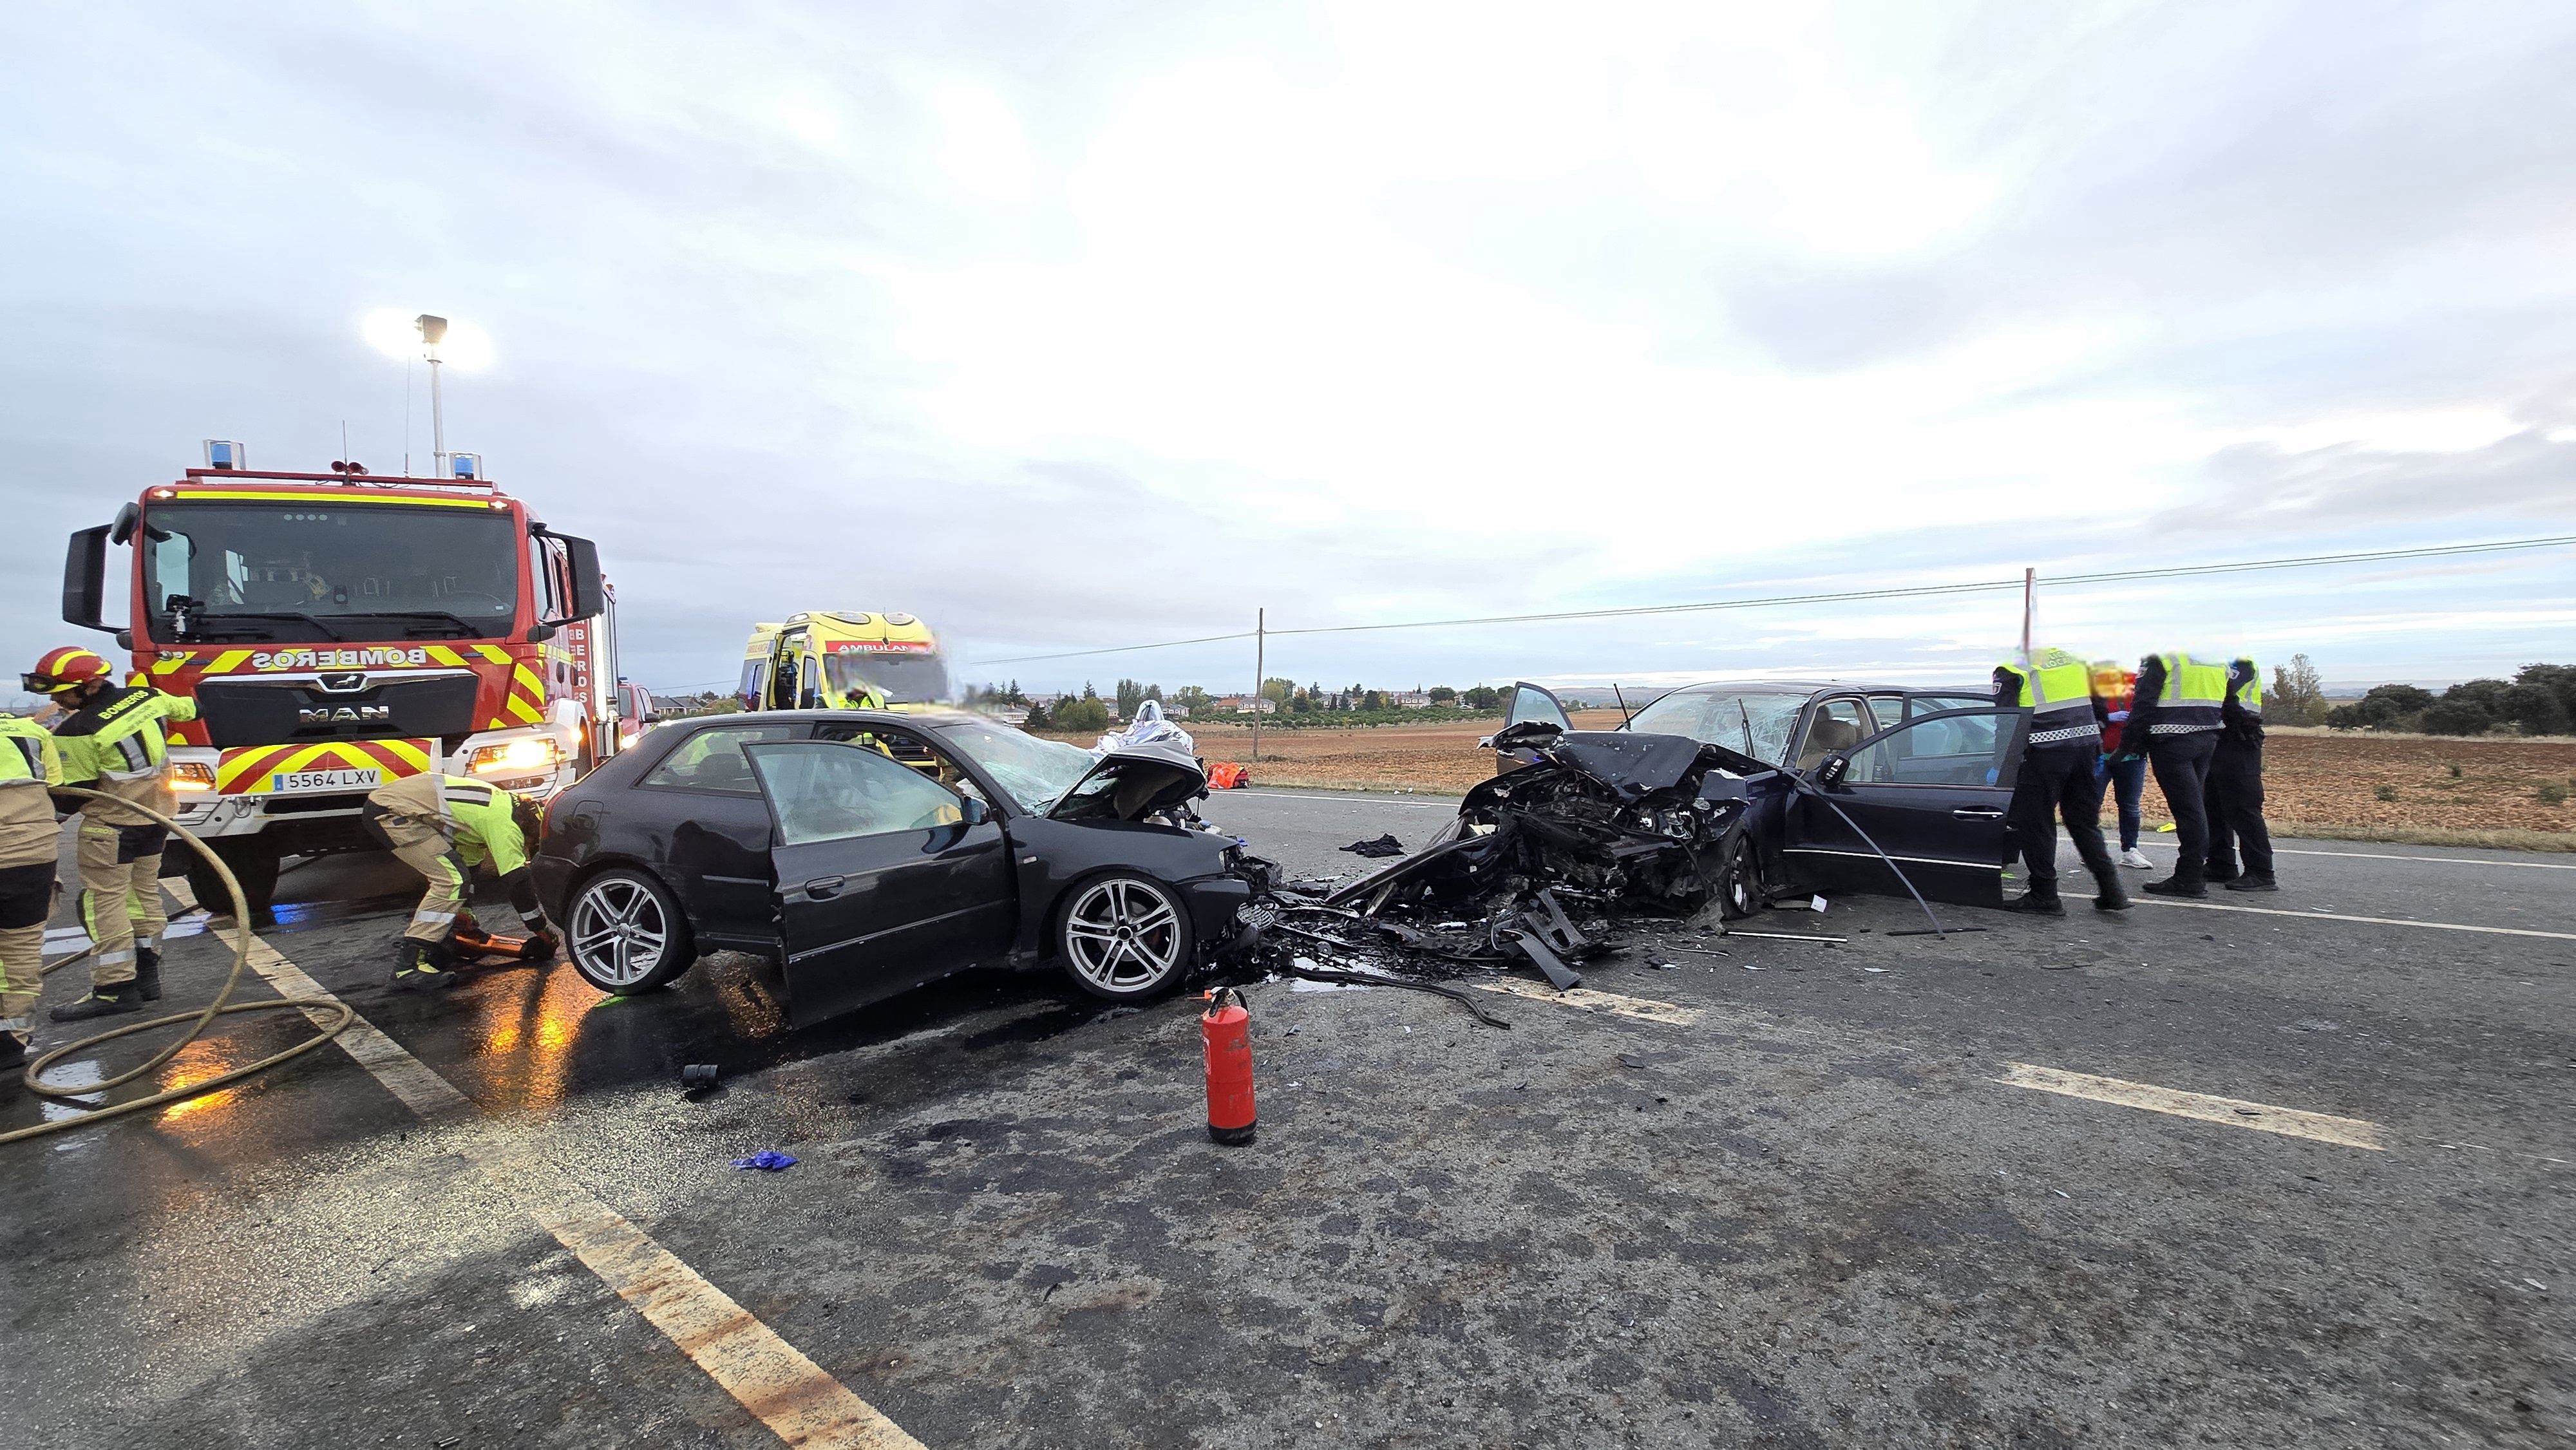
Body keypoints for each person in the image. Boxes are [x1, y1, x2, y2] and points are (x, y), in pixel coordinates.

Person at [31, 647, 199, 1021]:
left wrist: (38, 822)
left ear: (90, 686)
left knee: (104, 904)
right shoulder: (148, 698)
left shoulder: (77, 729)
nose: (56, 700)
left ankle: (114, 988)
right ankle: (146, 977)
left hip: (111, 827)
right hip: (156, 820)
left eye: (62, 691)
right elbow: (193, 710)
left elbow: (76, 792)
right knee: (143, 896)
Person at [362, 771, 556, 990]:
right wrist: (541, 930)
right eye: (530, 843)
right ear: (530, 827)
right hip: (392, 813)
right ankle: (408, 967)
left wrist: (466, 915)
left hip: (393, 806)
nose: (526, 847)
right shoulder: (506, 825)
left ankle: (448, 934)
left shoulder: (496, 807)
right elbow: (517, 881)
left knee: (457, 875)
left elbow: (470, 866)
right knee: (450, 880)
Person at [1994, 648, 2128, 914]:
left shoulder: (2013, 667)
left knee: (2036, 823)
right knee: (2084, 823)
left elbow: (2007, 721)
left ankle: (2045, 895)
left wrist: (2001, 765)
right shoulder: (2076, 661)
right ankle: (2112, 890)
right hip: (2086, 749)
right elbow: (2100, 710)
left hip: (2044, 754)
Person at [2118, 650, 2230, 897]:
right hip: (2207, 736)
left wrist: (2126, 745)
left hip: (2171, 739)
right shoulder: (2215, 657)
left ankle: (2189, 877)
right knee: (2195, 808)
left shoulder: (2164, 655)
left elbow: (2144, 703)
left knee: (2189, 811)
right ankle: (2194, 872)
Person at [0, 711, 66, 1070]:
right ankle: (12, 1040)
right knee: (21, 949)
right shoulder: (31, 730)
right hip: (33, 855)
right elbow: (56, 783)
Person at [2204, 657, 2277, 891]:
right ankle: (2220, 863)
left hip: (2241, 736)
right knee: (2213, 804)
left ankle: (2261, 871)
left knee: (2243, 806)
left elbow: (2222, 691)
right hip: (2217, 737)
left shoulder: (2240, 662)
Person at [2092, 660, 2152, 870]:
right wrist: (2108, 717)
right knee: (2092, 803)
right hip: (2099, 754)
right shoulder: (2093, 683)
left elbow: (2148, 709)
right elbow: (2084, 713)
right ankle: (2092, 850)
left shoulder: (2137, 681)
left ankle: (2130, 850)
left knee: (2129, 805)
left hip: (2131, 754)